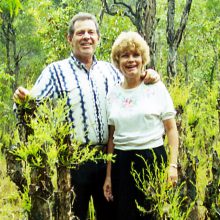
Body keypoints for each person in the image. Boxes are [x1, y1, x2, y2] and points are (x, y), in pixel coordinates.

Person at [13, 13, 160, 220]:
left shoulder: (111, 71)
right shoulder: (55, 72)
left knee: (111, 214)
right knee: (74, 215)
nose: (86, 37)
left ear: (98, 38)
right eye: (80, 32)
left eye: (91, 32)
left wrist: (150, 75)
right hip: (74, 162)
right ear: (70, 38)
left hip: (109, 159)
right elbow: (30, 103)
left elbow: (134, 83)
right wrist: (22, 99)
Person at [103, 31, 179, 220]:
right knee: (124, 214)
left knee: (152, 213)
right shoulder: (112, 94)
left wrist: (172, 165)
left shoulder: (156, 87)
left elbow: (171, 129)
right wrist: (109, 176)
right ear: (117, 60)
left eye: (136, 55)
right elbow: (112, 138)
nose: (131, 60)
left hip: (151, 158)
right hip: (122, 163)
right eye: (125, 55)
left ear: (143, 58)